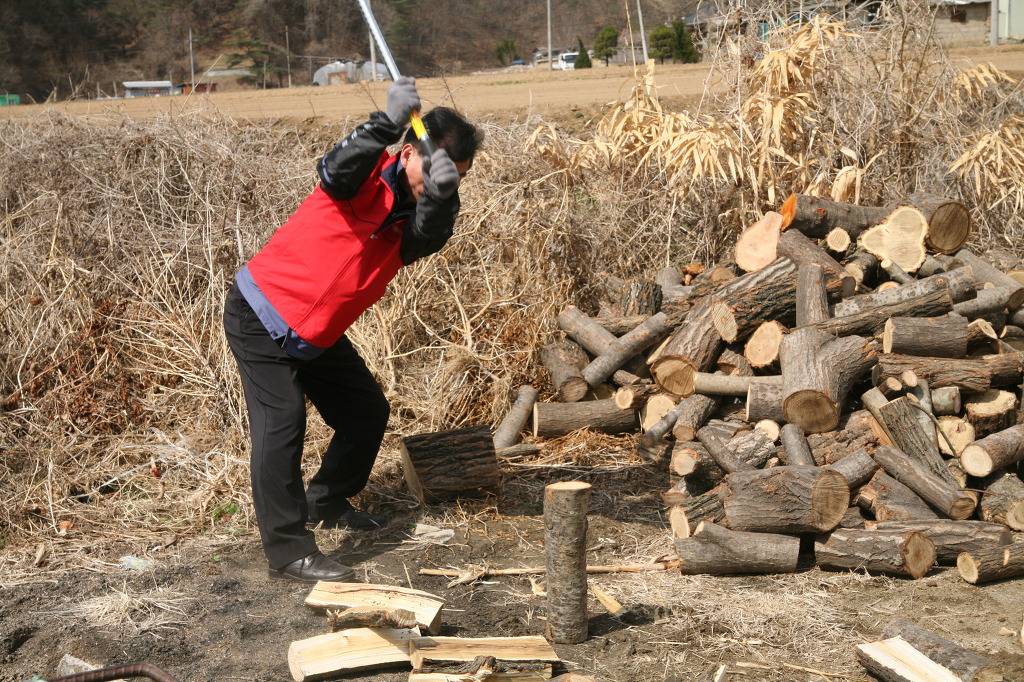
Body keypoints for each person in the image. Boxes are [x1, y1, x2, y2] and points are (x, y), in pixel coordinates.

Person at [223, 77, 483, 583]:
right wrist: (386, 122)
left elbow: (425, 240)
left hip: (315, 332)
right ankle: (288, 552)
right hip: (262, 313)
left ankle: (326, 500)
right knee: (282, 422)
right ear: (407, 152)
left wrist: (440, 195)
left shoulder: (430, 207)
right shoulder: (361, 177)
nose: (443, 182)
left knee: (365, 412)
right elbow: (333, 169)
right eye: (436, 170)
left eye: (456, 177)